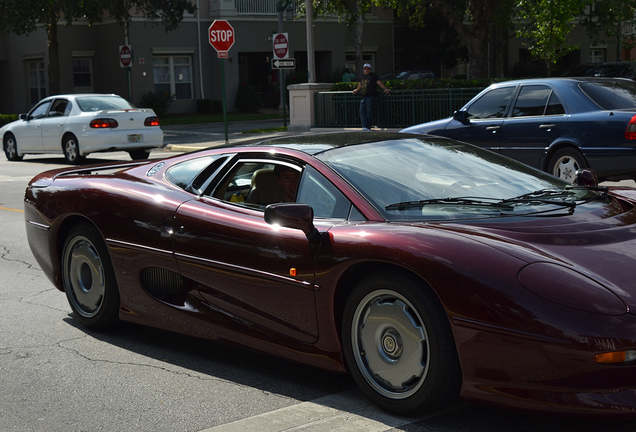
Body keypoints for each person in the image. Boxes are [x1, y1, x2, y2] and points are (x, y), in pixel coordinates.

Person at [352, 63, 390, 131]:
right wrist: (357, 90)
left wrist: (385, 88)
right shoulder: (362, 76)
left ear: (370, 69)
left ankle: (368, 127)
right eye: (365, 69)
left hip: (372, 96)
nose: (366, 70)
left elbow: (379, 82)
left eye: (368, 69)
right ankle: (364, 127)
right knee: (362, 112)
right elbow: (360, 84)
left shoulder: (373, 75)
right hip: (364, 96)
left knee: (369, 112)